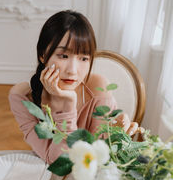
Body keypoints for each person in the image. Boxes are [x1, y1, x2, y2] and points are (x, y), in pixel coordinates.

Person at [9, 10, 140, 164]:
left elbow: (91, 160)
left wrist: (115, 135)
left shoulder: (99, 89)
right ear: (43, 55)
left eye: (83, 58)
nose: (72, 70)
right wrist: (66, 107)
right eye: (63, 56)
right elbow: (59, 161)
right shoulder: (23, 97)